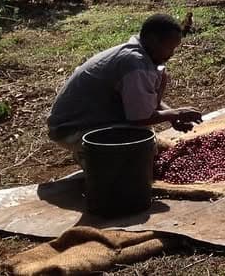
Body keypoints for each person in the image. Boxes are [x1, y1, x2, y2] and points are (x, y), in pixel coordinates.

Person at [47, 14, 203, 164]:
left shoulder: (142, 55)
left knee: (147, 144)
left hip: (91, 119)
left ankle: (99, 152)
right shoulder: (135, 64)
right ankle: (89, 155)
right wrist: (176, 113)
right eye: (169, 47)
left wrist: (172, 116)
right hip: (72, 129)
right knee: (137, 161)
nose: (172, 54)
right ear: (153, 40)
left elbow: (147, 102)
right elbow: (140, 118)